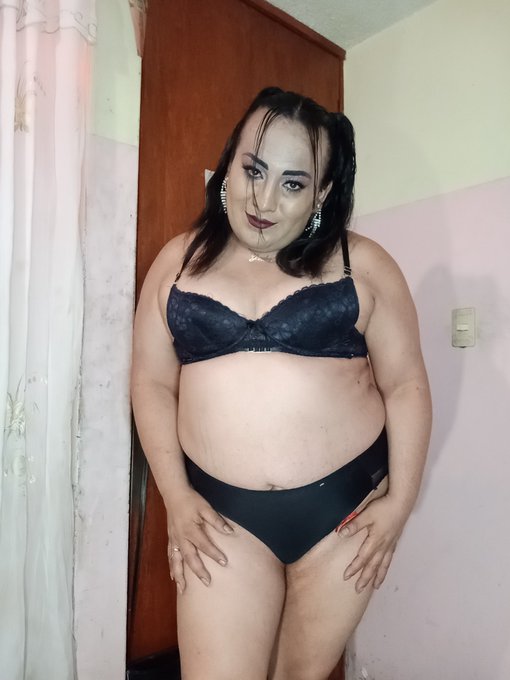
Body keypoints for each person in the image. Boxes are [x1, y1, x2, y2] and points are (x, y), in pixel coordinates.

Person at [131, 87, 432, 680]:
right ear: (229, 165)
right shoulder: (175, 263)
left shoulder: (365, 264)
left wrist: (401, 503)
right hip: (220, 518)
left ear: (321, 194)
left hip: (344, 514)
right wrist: (177, 498)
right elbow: (150, 384)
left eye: (293, 183)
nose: (263, 200)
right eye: (254, 170)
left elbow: (406, 386)